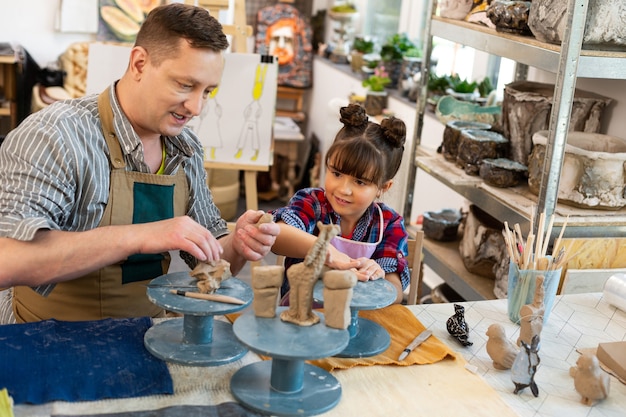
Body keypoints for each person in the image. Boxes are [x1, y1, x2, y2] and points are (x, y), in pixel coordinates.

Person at [0, 3, 279, 323]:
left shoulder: (185, 149)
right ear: (139, 63)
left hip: (145, 334)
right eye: (185, 85)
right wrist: (141, 235)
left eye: (207, 91)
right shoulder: (55, 136)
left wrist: (238, 244)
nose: (196, 107)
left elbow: (209, 256)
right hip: (46, 337)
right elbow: (8, 260)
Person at [271, 104, 410, 304]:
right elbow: (277, 237)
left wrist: (378, 276)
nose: (344, 189)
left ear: (383, 187)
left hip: (357, 321)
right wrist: (328, 253)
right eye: (336, 173)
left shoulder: (388, 223)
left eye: (360, 182)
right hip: (300, 317)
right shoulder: (313, 203)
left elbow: (395, 292)